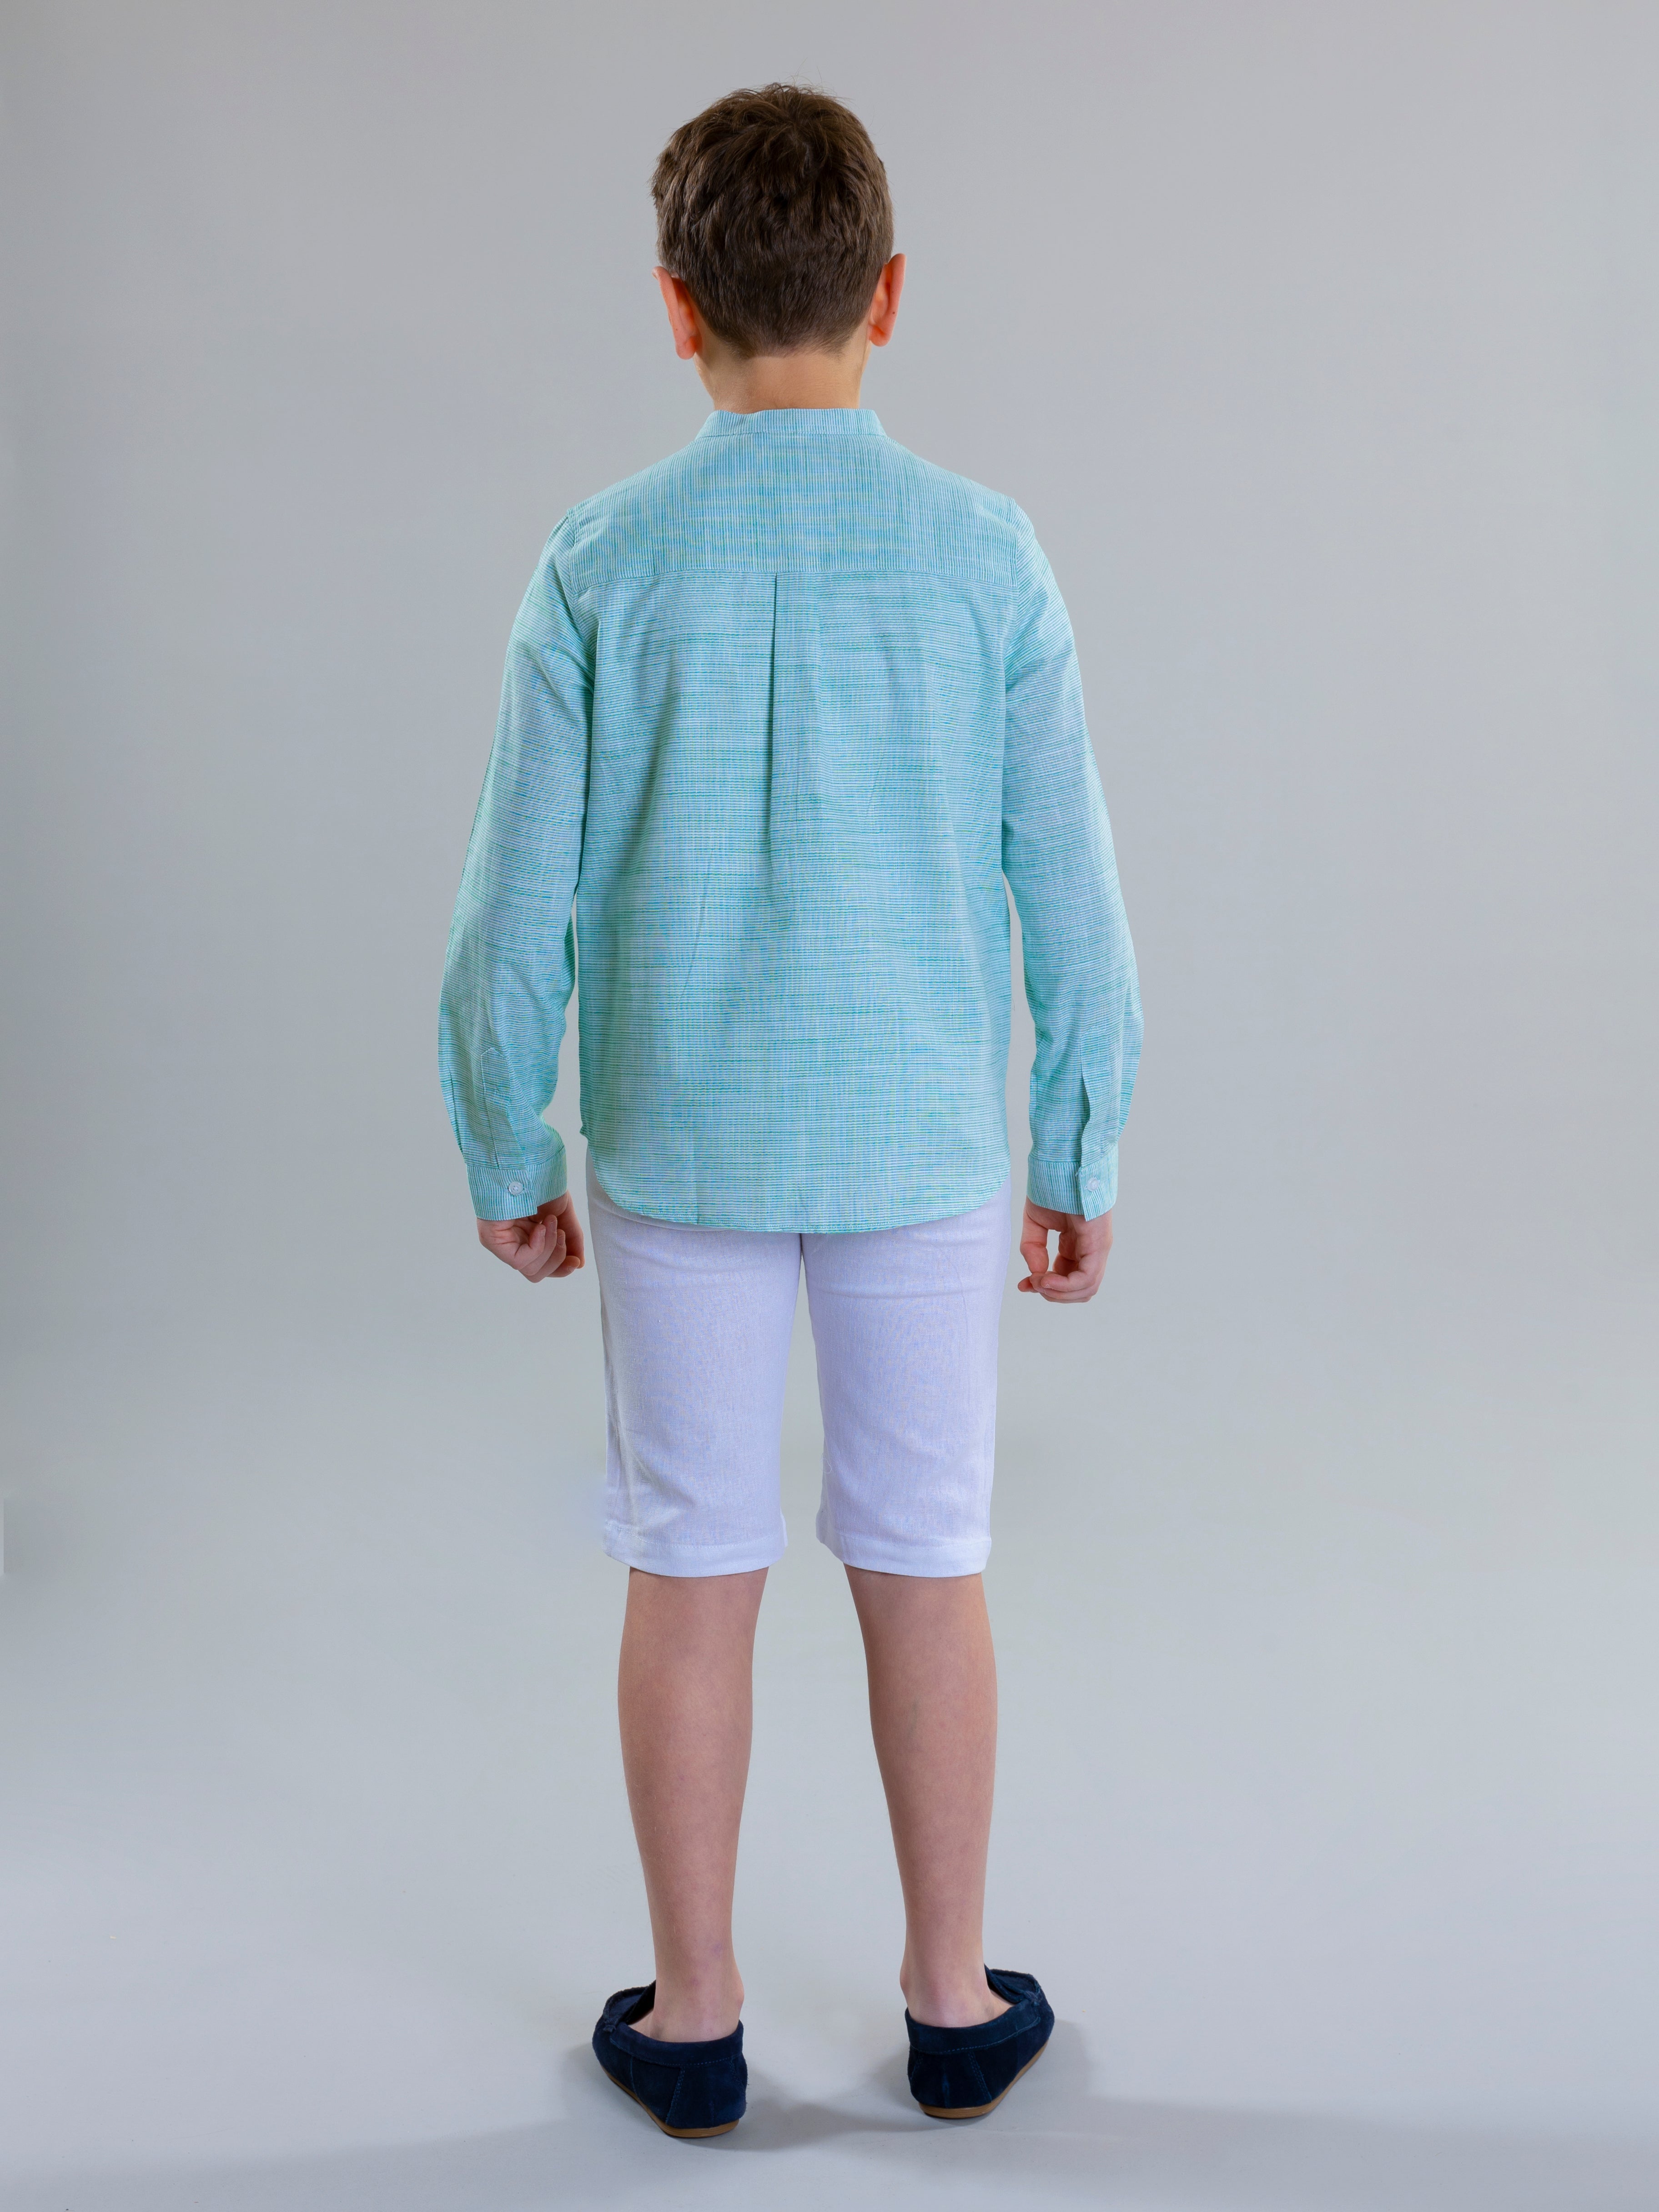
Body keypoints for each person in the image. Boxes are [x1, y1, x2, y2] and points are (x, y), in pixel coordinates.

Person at [438, 82, 1141, 2140]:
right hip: (922, 1152)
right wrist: (1077, 1148)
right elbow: (1074, 895)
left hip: (680, 1151)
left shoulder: (598, 565)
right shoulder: (987, 556)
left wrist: (505, 1145)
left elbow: (507, 917)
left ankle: (694, 2014)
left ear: (677, 308)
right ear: (888, 294)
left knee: (691, 1566)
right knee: (925, 1557)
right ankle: (951, 2000)